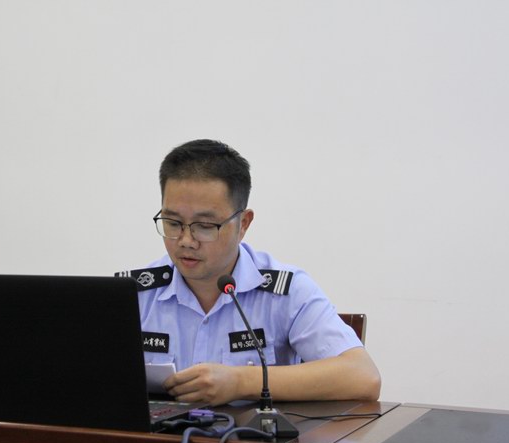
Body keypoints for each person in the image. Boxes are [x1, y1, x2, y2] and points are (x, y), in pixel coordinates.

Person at [118, 139, 381, 406]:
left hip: (250, 433)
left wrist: (242, 382)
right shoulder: (133, 294)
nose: (186, 240)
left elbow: (364, 377)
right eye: (173, 223)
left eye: (205, 226)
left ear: (243, 223)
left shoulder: (285, 291)